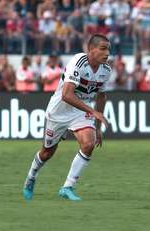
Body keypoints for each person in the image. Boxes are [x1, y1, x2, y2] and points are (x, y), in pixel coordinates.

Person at [23, 34, 111, 201]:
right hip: (59, 111)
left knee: (88, 144)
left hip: (79, 112)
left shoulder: (106, 70)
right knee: (47, 152)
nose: (107, 53)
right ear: (90, 50)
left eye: (108, 49)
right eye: (103, 48)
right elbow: (67, 95)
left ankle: (67, 187)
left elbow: (101, 97)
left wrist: (98, 127)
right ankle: (31, 177)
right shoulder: (78, 62)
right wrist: (93, 112)